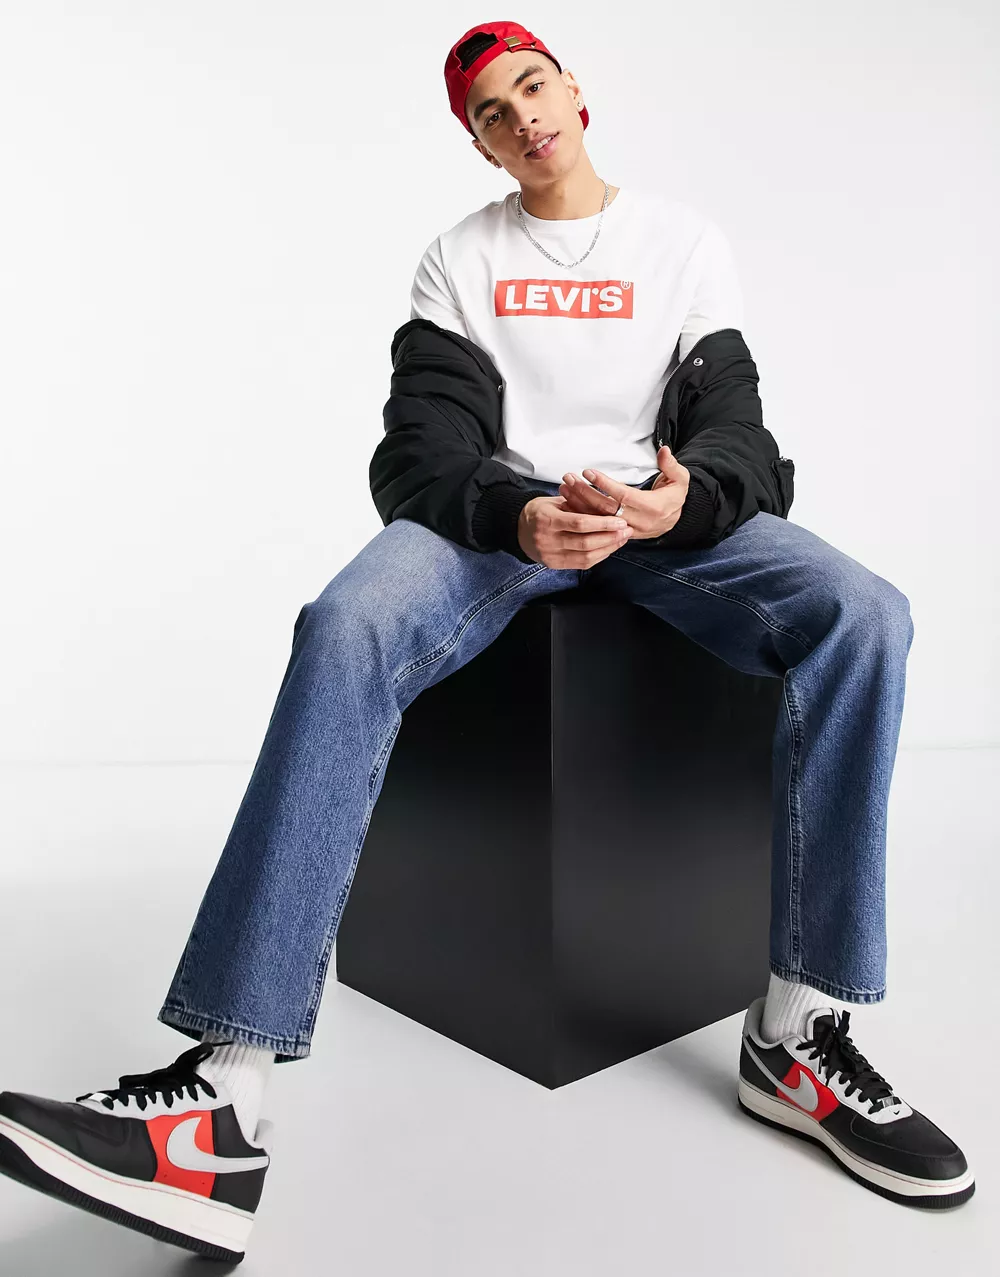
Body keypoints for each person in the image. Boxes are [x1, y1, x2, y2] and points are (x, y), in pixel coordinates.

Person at [0, 18, 975, 1265]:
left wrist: (687, 499)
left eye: (532, 86)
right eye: (492, 114)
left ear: (575, 91)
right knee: (345, 623)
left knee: (866, 613)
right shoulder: (458, 260)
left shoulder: (681, 244)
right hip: (502, 525)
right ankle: (221, 1099)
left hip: (660, 523)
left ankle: (796, 1035)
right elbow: (419, 452)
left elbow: (739, 432)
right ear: (481, 146)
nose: (523, 117)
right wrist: (514, 514)